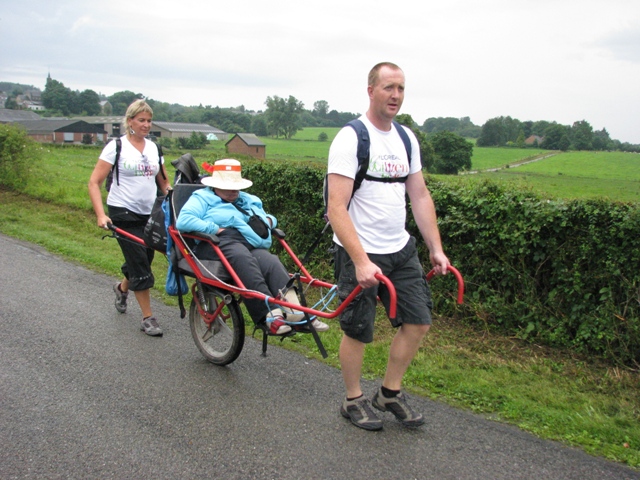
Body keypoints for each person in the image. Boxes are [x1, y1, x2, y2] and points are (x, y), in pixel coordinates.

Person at [326, 62, 451, 431]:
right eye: (388, 88)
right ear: (371, 91)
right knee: (358, 329)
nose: (395, 95)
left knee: (418, 321)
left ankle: (389, 393)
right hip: (359, 253)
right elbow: (336, 207)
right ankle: (353, 399)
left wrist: (436, 248)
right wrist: (361, 261)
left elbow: (420, 194)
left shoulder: (407, 138)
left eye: (400, 88)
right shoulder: (351, 138)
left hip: (400, 250)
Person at [175, 159, 329, 335]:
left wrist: (269, 221)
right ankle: (269, 316)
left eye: (236, 186)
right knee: (243, 258)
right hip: (215, 243)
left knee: (270, 260)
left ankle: (296, 312)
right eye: (227, 186)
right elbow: (184, 221)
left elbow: (265, 217)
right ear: (215, 185)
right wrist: (215, 228)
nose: (233, 190)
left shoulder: (248, 200)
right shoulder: (202, 198)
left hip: (247, 242)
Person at [88, 99, 171, 336]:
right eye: (141, 120)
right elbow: (94, 182)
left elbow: (163, 182)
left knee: (143, 257)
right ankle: (148, 318)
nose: (146, 125)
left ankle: (122, 288)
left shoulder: (155, 148)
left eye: (149, 120)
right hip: (123, 212)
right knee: (140, 264)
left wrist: (173, 201)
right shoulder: (116, 147)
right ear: (130, 121)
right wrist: (101, 214)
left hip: (150, 214)